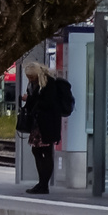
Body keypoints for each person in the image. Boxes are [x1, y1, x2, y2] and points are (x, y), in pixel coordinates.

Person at [20, 60, 75, 195]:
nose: (30, 80)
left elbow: (47, 103)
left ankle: (43, 184)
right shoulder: (35, 84)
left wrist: (30, 99)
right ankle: (42, 183)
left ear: (37, 74)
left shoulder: (49, 83)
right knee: (38, 151)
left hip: (47, 123)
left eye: (31, 77)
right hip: (39, 123)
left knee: (45, 152)